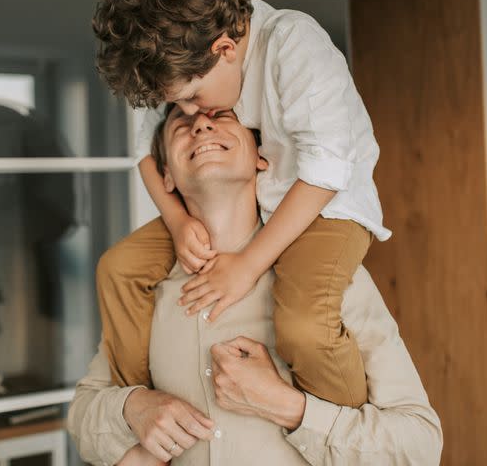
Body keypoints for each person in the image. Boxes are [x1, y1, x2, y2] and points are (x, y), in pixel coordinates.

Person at [91, 0, 391, 409]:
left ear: (226, 48)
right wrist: (175, 221)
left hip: (325, 208)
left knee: (305, 326)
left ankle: (334, 431)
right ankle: (145, 407)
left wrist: (248, 265)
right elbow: (142, 154)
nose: (191, 115)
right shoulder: (182, 61)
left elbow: (328, 173)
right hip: (251, 202)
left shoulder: (294, 45)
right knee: (119, 269)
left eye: (192, 97)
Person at [67, 107, 441, 465]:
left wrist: (283, 404)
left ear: (261, 158)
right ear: (166, 176)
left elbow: (420, 446)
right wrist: (134, 408)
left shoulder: (326, 279)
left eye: (223, 116)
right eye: (181, 123)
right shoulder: (144, 293)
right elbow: (82, 416)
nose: (200, 125)